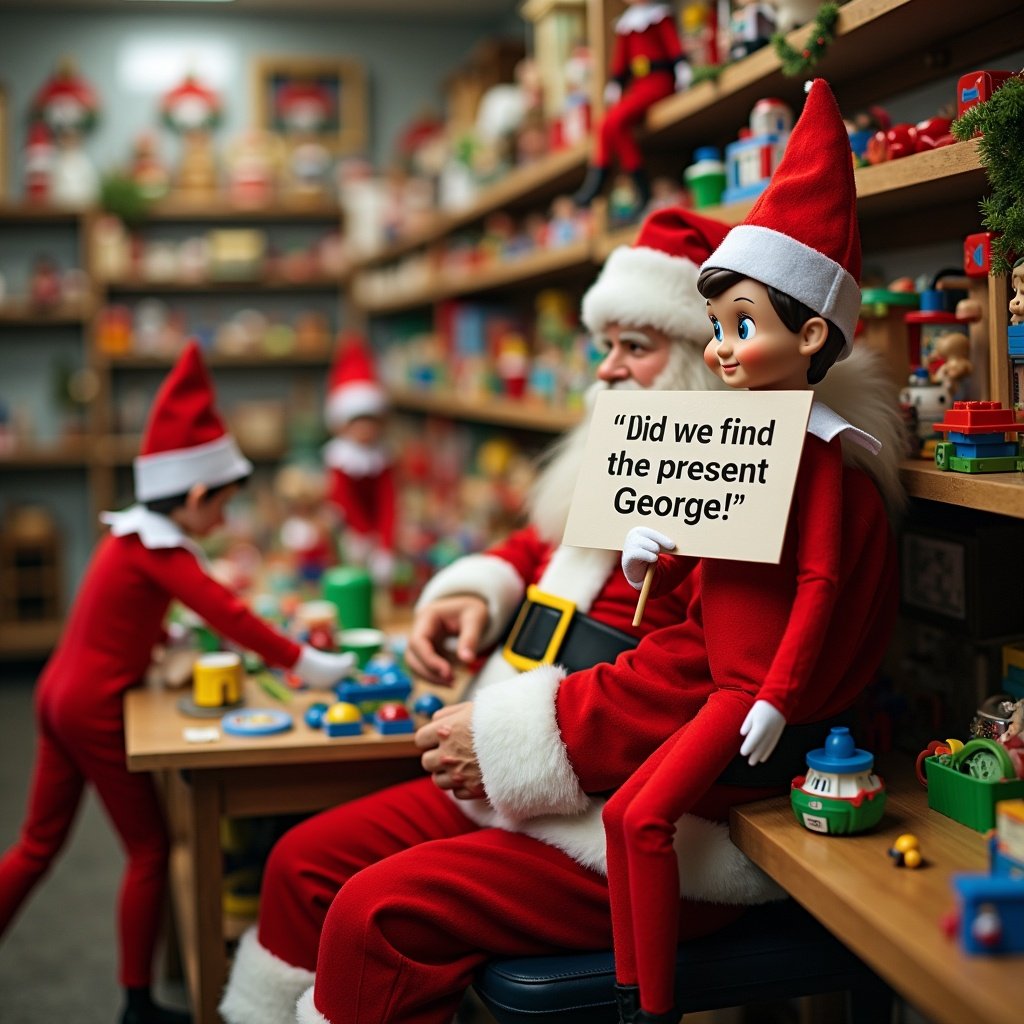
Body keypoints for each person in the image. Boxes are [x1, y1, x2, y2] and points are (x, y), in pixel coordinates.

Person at [219, 213, 904, 1024]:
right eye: (603, 344)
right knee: (303, 863)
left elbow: (710, 674)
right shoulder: (643, 448)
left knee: (378, 915)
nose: (607, 369)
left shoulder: (773, 476)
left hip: (667, 815)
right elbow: (553, 546)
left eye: (634, 347)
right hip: (546, 774)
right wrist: (478, 591)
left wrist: (514, 741)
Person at [604, 78, 898, 1023]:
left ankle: (655, 1008)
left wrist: (776, 697)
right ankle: (629, 987)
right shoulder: (730, 435)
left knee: (643, 818)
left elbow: (820, 583)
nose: (723, 350)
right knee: (623, 815)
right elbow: (714, 543)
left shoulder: (823, 458)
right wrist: (651, 550)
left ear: (811, 334)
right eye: (719, 329)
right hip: (713, 675)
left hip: (744, 691)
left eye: (741, 327)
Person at [0, 342, 355, 1024]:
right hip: (92, 708)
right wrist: (304, 665)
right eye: (221, 508)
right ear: (194, 497)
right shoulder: (163, 550)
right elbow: (228, 612)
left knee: (37, 845)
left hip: (56, 693)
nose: (222, 522)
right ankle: (135, 1002)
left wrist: (158, 638)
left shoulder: (130, 539)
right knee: (150, 848)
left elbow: (116, 616)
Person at [573, 0, 691, 209]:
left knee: (615, 121)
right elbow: (622, 59)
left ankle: (609, 178)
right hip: (638, 83)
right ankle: (612, 178)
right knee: (606, 124)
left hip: (658, 81)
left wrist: (681, 65)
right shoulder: (626, 25)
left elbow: (672, 44)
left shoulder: (659, 16)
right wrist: (616, 81)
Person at [322, 330, 397, 585]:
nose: (365, 431)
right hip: (349, 530)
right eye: (358, 423)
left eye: (371, 422)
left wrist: (385, 542)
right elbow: (342, 499)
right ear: (343, 424)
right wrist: (363, 534)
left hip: (374, 533)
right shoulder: (340, 459)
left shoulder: (382, 458)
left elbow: (388, 501)